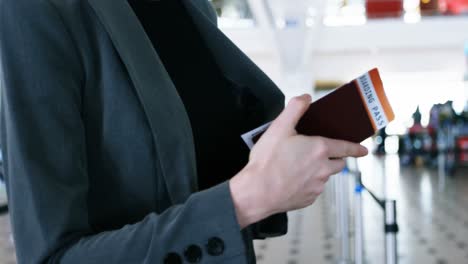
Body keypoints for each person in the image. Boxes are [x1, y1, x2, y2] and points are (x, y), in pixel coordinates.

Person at [0, 0, 368, 263]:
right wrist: (247, 198)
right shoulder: (34, 10)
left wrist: (279, 163)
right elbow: (52, 255)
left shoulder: (192, 8)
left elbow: (196, 173)